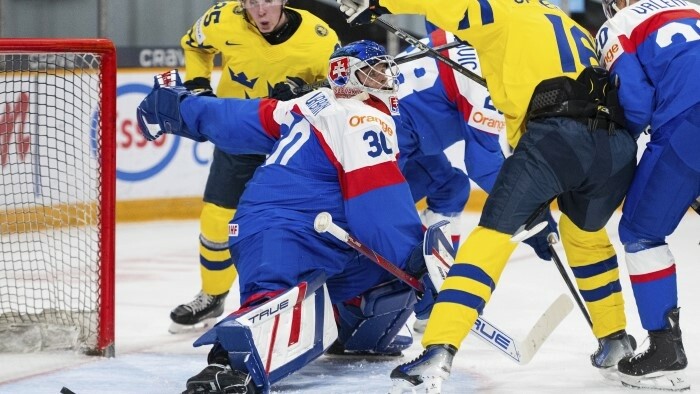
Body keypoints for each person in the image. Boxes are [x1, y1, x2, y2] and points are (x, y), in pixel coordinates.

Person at [336, 0, 639, 391]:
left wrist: (383, 3)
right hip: (615, 147)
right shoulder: (580, 30)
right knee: (588, 240)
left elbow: (449, 7)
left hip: (553, 137)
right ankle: (614, 339)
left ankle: (439, 349)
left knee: (489, 240)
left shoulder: (508, 13)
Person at [137, 41, 437, 394]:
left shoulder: (306, 104)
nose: (387, 78)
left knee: (391, 281)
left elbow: (231, 119)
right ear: (350, 76)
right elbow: (377, 205)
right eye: (376, 70)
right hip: (280, 228)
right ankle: (225, 368)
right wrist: (418, 261)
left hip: (317, 233)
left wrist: (174, 106)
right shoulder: (366, 117)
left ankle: (353, 332)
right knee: (270, 302)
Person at [170, 0, 339, 334]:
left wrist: (306, 92)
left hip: (294, 142)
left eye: (268, 1)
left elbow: (343, 88)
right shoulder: (221, 18)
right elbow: (193, 45)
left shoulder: (320, 37)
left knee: (303, 225)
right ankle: (213, 294)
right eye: (251, 2)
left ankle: (323, 301)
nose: (260, 10)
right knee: (217, 218)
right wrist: (198, 87)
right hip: (239, 136)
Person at [393, 28, 557, 333]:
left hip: (404, 132)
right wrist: (530, 210)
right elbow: (482, 165)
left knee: (450, 187)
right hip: (385, 137)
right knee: (389, 219)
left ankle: (439, 284)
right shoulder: (488, 80)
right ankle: (425, 297)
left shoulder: (474, 41)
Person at [596, 0, 700, 390]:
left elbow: (636, 100)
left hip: (689, 120)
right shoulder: (693, 6)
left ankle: (664, 350)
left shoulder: (620, 22)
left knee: (640, 232)